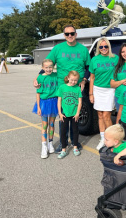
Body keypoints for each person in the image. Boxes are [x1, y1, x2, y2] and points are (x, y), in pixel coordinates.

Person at [35, 24, 91, 153]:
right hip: (62, 89)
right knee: (63, 117)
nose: (70, 36)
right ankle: (63, 142)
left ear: (76, 34)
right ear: (64, 35)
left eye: (72, 33)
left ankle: (75, 141)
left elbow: (88, 68)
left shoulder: (83, 49)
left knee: (75, 116)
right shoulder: (58, 49)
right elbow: (47, 65)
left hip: (77, 89)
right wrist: (38, 78)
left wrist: (84, 80)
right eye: (67, 34)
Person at [89, 37, 119, 150]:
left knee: (107, 116)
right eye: (101, 47)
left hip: (110, 89)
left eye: (105, 46)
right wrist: (91, 93)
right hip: (97, 89)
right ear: (98, 48)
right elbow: (92, 78)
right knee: (100, 115)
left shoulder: (115, 58)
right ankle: (103, 139)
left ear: (109, 47)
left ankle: (111, 140)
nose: (103, 48)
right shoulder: (95, 60)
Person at [32, 59, 59, 159]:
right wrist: (38, 107)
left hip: (54, 102)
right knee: (45, 125)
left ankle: (50, 143)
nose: (48, 69)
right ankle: (43, 146)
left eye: (50, 67)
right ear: (42, 68)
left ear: (53, 67)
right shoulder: (40, 78)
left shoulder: (56, 76)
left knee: (52, 124)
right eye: (46, 67)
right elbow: (38, 94)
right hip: (44, 103)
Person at [57, 70, 82, 159]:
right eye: (72, 80)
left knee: (75, 131)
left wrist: (78, 113)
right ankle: (64, 149)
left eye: (75, 80)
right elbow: (59, 100)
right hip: (64, 114)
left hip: (74, 114)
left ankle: (75, 147)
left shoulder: (77, 88)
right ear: (68, 78)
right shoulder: (62, 87)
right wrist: (60, 113)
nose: (73, 82)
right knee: (63, 131)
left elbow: (79, 102)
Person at [110, 43, 126, 111]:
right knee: (121, 119)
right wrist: (122, 81)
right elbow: (112, 84)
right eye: (123, 52)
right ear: (121, 54)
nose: (125, 53)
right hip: (119, 97)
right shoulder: (117, 67)